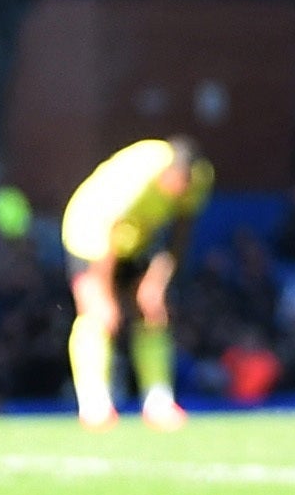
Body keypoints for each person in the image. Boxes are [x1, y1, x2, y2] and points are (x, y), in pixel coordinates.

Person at [60, 133, 212, 429]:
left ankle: (158, 401)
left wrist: (158, 280)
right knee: (98, 314)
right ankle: (94, 405)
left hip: (138, 240)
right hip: (89, 233)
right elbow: (107, 229)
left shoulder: (199, 178)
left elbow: (182, 230)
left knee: (153, 311)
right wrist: (103, 292)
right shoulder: (140, 173)